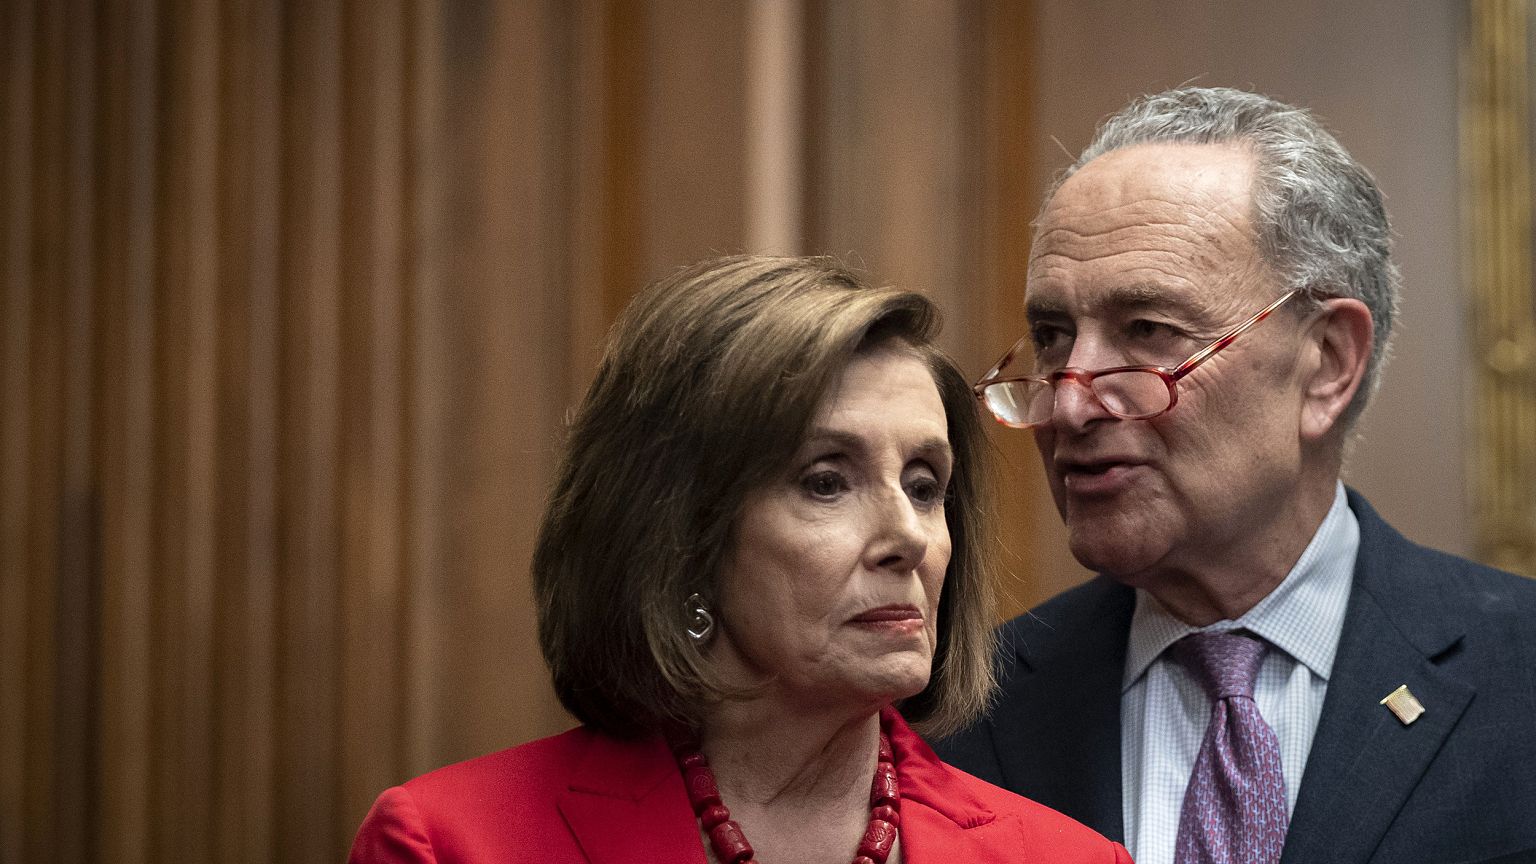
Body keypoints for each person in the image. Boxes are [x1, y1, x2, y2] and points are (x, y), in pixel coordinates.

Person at [349, 255, 1131, 863]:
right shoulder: (449, 843)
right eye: (826, 482)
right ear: (682, 536)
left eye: (925, 486)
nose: (911, 537)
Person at [936, 87, 1536, 864]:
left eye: (1147, 330)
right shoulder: (963, 709)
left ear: (1327, 364)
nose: (1068, 404)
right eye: (1052, 337)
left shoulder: (1518, 673)